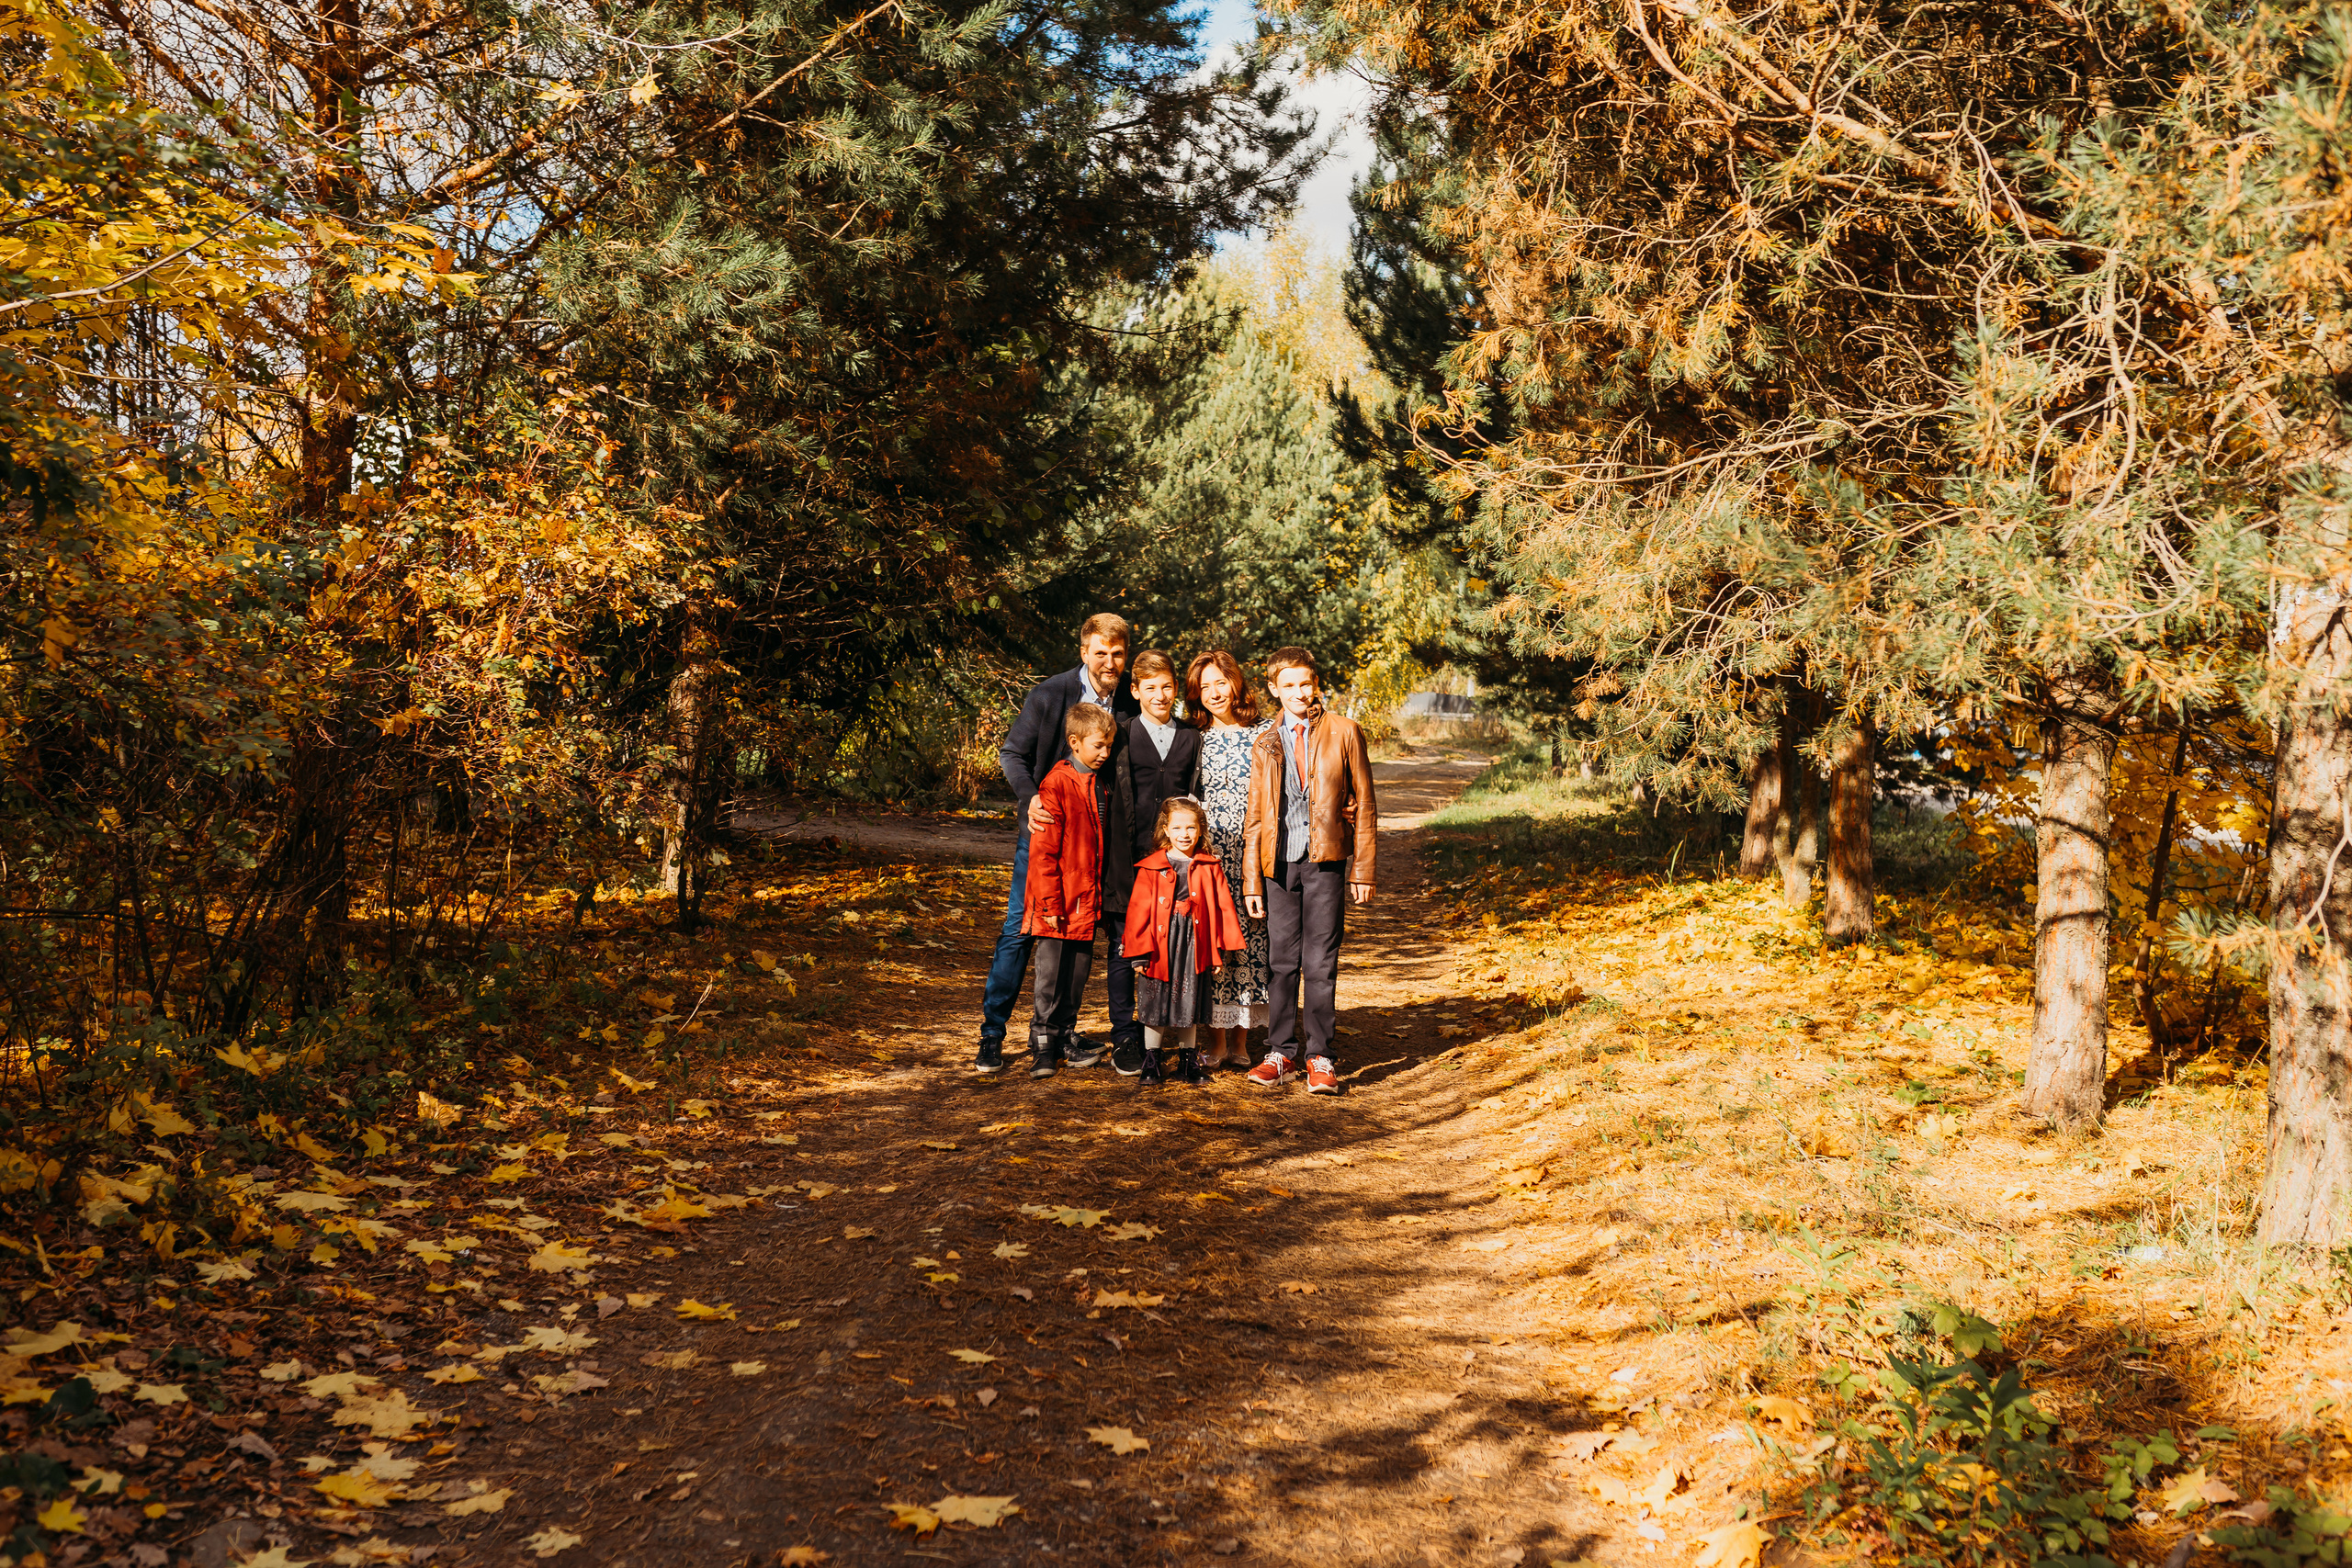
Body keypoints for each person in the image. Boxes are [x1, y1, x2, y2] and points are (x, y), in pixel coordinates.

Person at [977, 615, 1141, 1076]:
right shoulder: (1050, 694)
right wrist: (1030, 800)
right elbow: (1013, 753)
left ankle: (1059, 1031)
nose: (1109, 662)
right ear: (1084, 651)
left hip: (1098, 842)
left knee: (1079, 934)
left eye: (1118, 653)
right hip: (1047, 831)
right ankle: (992, 1035)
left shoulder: (1129, 698)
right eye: (1100, 652)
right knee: (1021, 931)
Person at [1241, 647, 1377, 1095]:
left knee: (1320, 961)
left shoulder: (1345, 732)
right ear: (1273, 689)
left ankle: (1320, 1056)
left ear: (1316, 684)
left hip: (1326, 864)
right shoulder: (1266, 742)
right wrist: (1252, 880)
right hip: (1278, 866)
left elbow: (1367, 805)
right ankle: (1280, 1051)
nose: (1299, 693)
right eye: (1289, 685)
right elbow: (1257, 815)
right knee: (1281, 963)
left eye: (1306, 683)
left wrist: (1363, 870)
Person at [1021, 704, 1119, 1078]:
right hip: (1057, 902)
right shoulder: (1056, 785)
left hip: (1085, 902)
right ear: (1074, 743)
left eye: (1109, 746)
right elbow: (1043, 853)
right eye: (1098, 746)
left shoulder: (1098, 781)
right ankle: (1043, 1044)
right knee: (1051, 975)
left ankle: (1065, 1034)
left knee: (1077, 972)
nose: (1105, 753)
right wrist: (1048, 903)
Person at [1114, 649, 1201, 1072]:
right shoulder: (1124, 735)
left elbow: (1194, 795)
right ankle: (1127, 1037)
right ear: (1136, 691)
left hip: (1177, 862)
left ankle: (1179, 1034)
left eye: (1167, 686)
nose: (1160, 694)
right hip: (1132, 859)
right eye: (1150, 688)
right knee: (1129, 945)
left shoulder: (1190, 737)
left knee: (1177, 945)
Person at [1123, 796, 1246, 1088]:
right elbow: (1138, 912)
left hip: (1195, 944)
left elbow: (1221, 909)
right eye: (1177, 828)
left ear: (1200, 830)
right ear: (1166, 829)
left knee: (1188, 1003)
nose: (1185, 834)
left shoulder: (1210, 865)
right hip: (1159, 945)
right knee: (1155, 1003)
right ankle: (1151, 1062)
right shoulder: (1151, 866)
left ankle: (1187, 1063)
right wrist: (1139, 953)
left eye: (1191, 827)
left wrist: (1217, 952)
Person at [1186, 649, 1270, 1069]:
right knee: (1214, 944)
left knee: (1253, 943)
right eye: (1205, 687)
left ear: (1236, 682)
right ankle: (1215, 1041)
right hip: (1210, 857)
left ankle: (1242, 1041)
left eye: (1221, 682)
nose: (1215, 693)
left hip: (1255, 857)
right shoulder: (1192, 738)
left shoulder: (1267, 733)